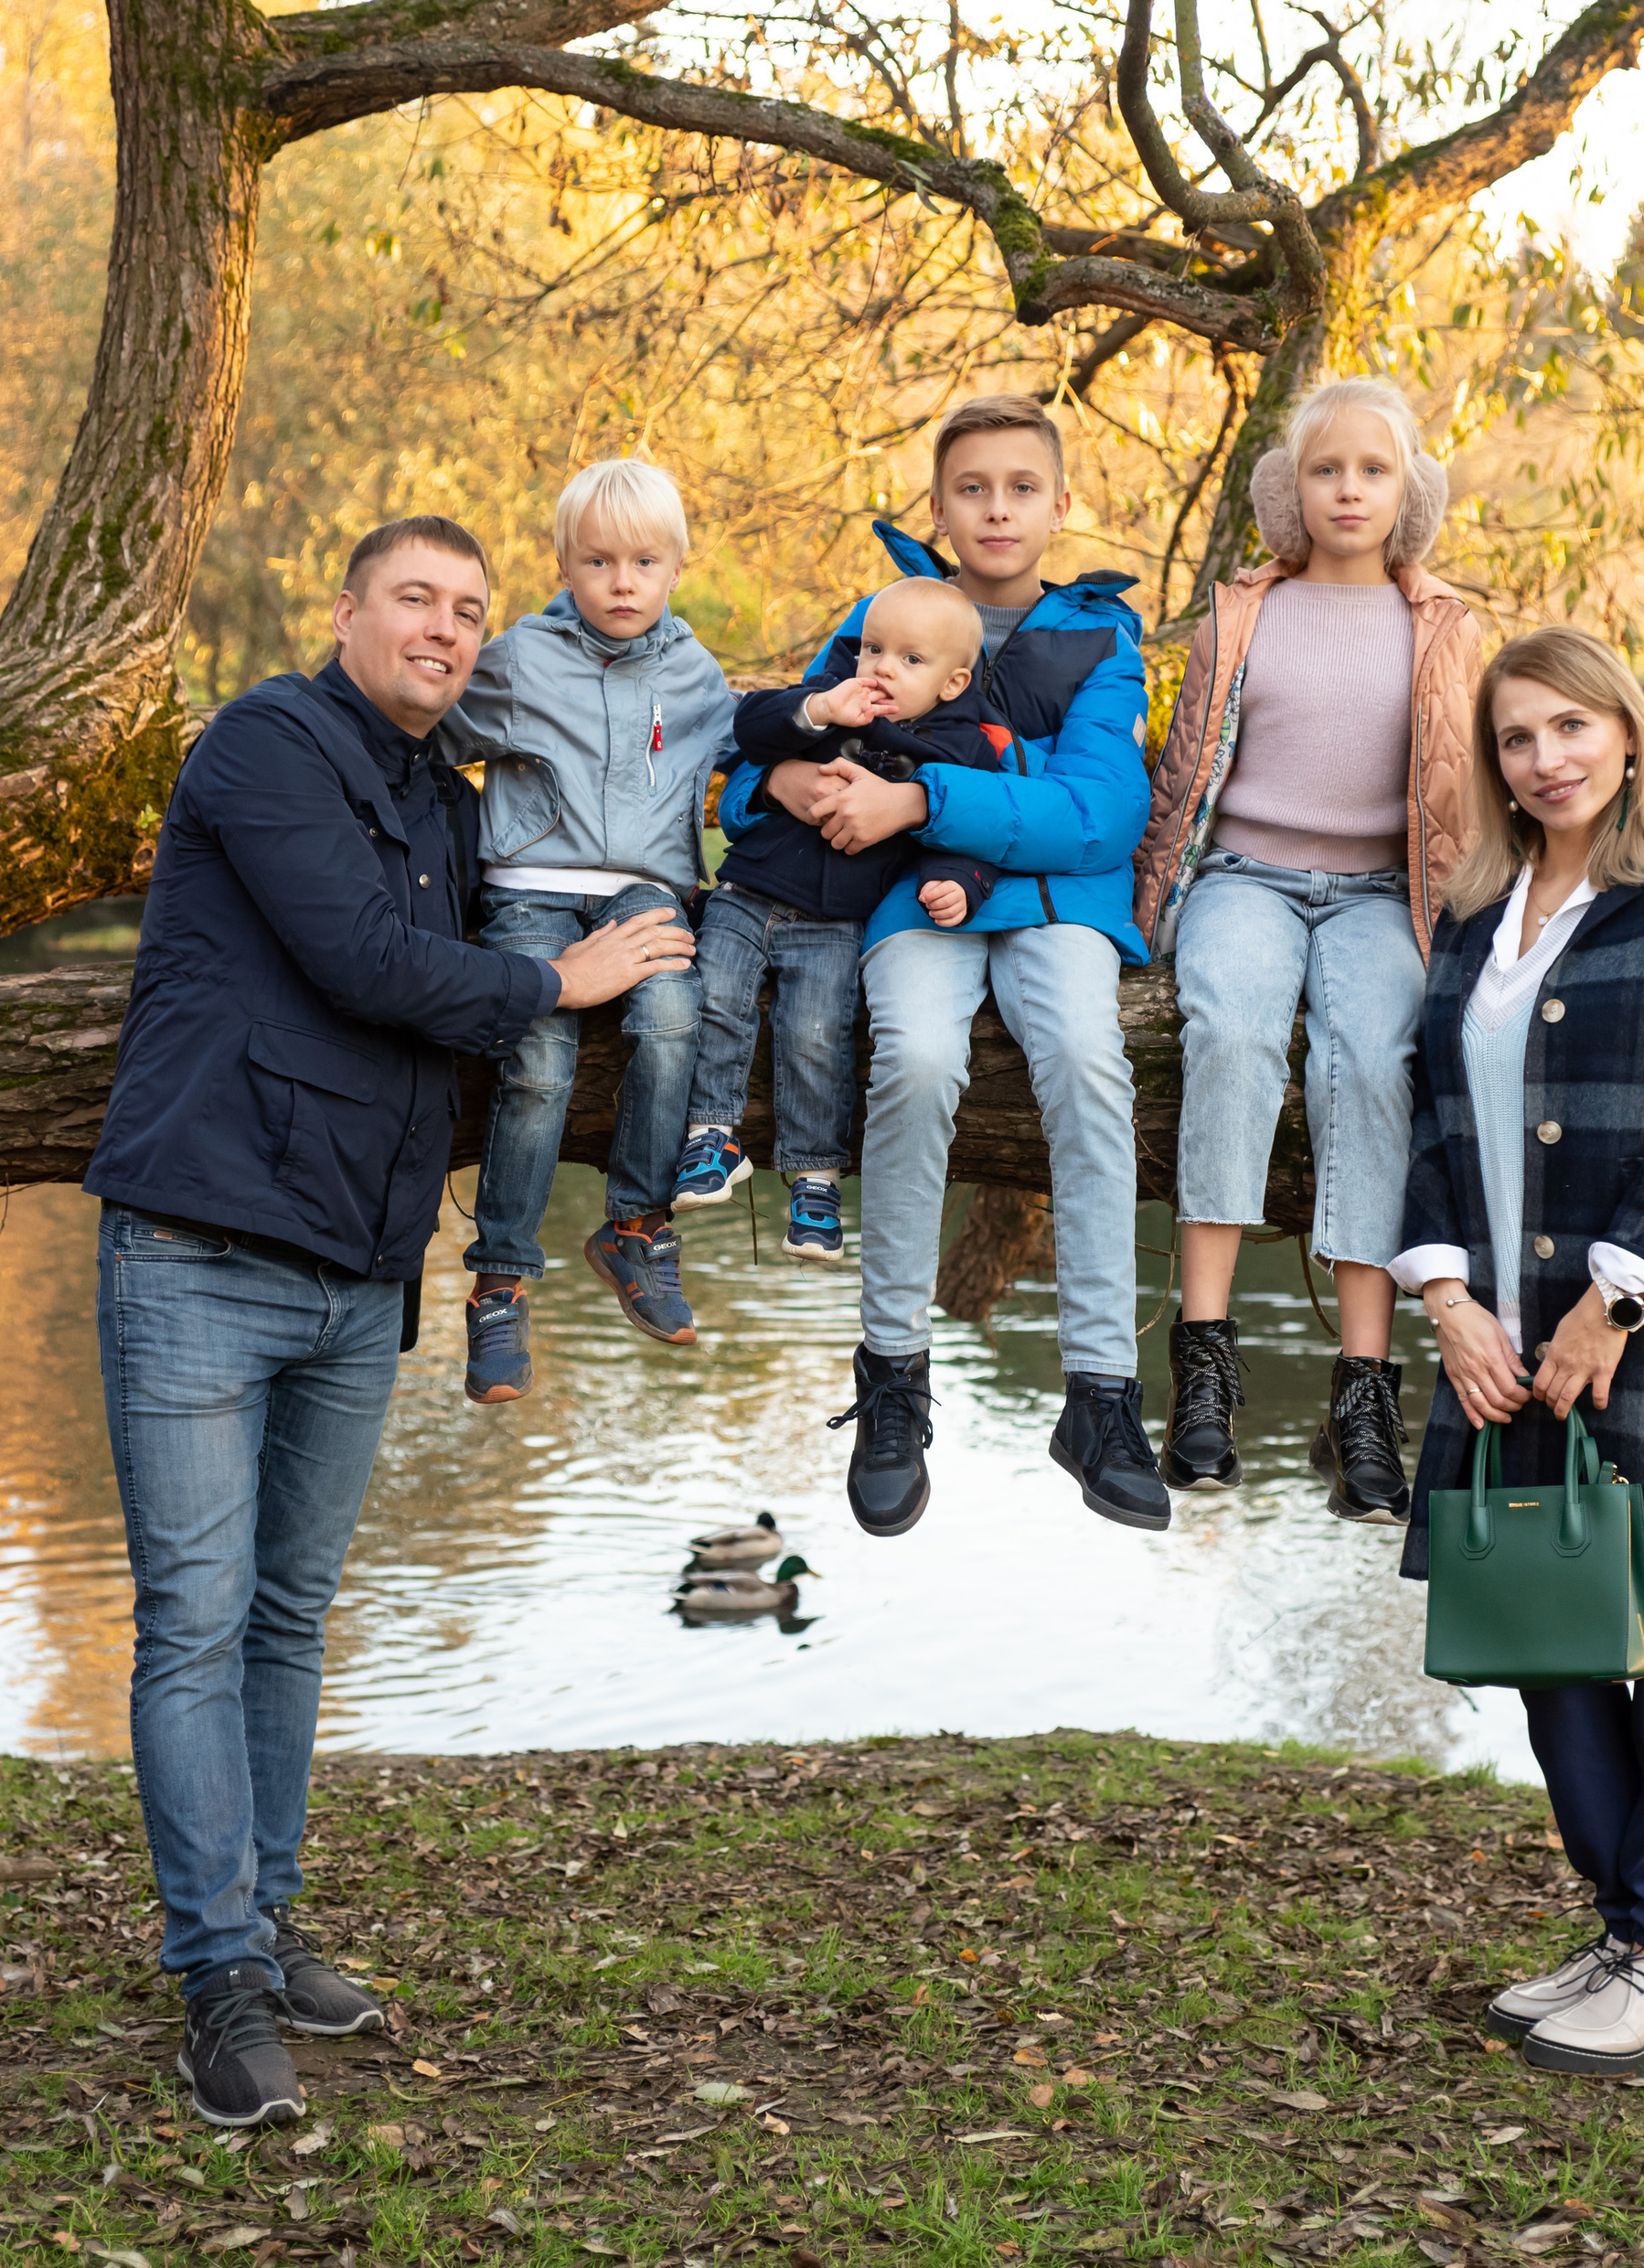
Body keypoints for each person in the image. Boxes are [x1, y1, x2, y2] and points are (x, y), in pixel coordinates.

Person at [83, 516, 694, 2127]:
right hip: (202, 1245)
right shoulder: (265, 744)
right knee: (196, 1624)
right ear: (344, 610)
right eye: (416, 601)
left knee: (290, 1619)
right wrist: (559, 988)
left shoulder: (448, 796)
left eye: (471, 613)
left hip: (357, 1273)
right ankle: (212, 1969)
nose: (446, 629)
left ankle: (266, 1928)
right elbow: (366, 963)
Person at [1388, 624, 1644, 2078]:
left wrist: (1609, 1297)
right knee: (1548, 1637)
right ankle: (1628, 1931)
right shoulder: (1477, 916)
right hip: (1500, 1336)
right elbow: (1427, 1118)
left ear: (1627, 733)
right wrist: (1447, 1303)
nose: (1545, 759)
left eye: (1571, 728)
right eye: (1515, 738)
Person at [726, 391, 1169, 1536]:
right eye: (971, 488)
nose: (996, 509)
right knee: (916, 1060)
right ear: (939, 504)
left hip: (1055, 907)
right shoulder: (887, 615)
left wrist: (921, 797)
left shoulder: (1101, 642)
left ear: (1062, 504)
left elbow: (1100, 816)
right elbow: (767, 747)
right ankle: (891, 1374)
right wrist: (778, 784)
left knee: (1084, 1056)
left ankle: (1102, 1390)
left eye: (1022, 487)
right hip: (906, 905)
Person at [1133, 376, 1481, 1519]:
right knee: (1229, 1031)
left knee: (1373, 1061)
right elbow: (1187, 763)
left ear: (1406, 492)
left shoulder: (1442, 623)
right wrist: (1150, 908)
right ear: (1290, 488)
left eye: (1372, 472)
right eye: (1325, 470)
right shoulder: (1245, 608)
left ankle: (1366, 1391)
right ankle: (1202, 1367)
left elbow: (1463, 789)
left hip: (1382, 895)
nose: (1348, 490)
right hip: (1246, 878)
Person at [434, 458, 735, 1400]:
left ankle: (636, 1228)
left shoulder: (694, 676)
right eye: (597, 561)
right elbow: (430, 736)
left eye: (643, 561)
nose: (621, 581)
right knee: (539, 1061)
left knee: (675, 1013)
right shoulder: (520, 658)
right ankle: (500, 1281)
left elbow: (751, 764)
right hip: (529, 889)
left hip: (643, 891)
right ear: (564, 565)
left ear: (676, 567)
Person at [674, 575, 1007, 1267]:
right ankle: (710, 1133)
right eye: (873, 649)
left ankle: (816, 1181)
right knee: (716, 995)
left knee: (817, 1032)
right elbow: (750, 728)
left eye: (909, 660)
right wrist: (821, 708)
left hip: (835, 921)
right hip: (748, 891)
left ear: (952, 683)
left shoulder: (963, 750)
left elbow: (972, 833)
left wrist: (959, 884)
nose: (882, 667)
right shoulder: (829, 704)